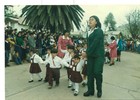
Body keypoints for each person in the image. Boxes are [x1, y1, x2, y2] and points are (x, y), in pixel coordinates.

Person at [83, 15, 105, 98]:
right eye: (89, 20)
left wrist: (86, 53)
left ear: (96, 22)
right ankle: (90, 90)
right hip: (91, 56)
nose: (90, 21)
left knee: (97, 72)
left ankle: (99, 90)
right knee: (90, 73)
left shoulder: (99, 31)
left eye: (92, 19)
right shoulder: (89, 31)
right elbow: (89, 44)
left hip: (98, 56)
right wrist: (86, 51)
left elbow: (95, 44)